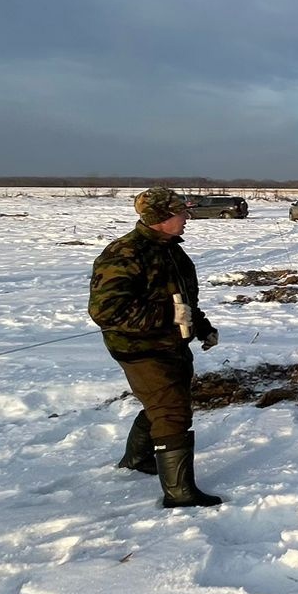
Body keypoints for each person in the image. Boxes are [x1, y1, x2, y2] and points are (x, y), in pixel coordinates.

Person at [90, 187, 223, 508]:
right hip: (140, 347)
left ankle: (137, 458)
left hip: (170, 343)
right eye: (180, 212)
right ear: (161, 217)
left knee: (168, 399)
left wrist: (201, 327)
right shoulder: (125, 253)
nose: (186, 218)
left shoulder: (172, 251)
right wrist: (167, 316)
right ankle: (179, 493)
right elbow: (106, 311)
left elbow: (183, 301)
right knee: (172, 411)